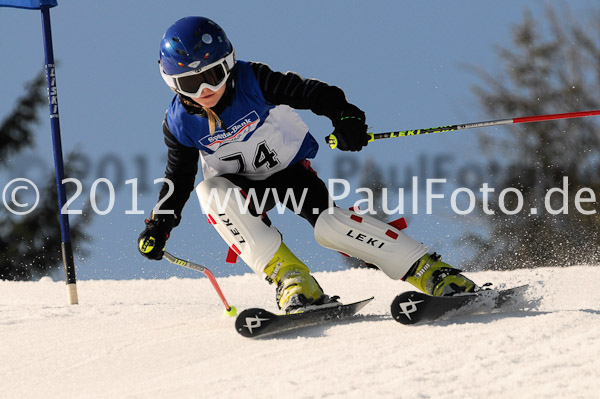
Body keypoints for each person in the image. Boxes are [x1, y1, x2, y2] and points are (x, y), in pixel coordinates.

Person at [138, 16, 479, 313]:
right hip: (241, 189)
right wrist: (160, 225)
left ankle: (431, 272)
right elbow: (178, 179)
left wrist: (345, 116)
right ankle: (293, 280)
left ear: (229, 63)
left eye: (214, 75)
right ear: (172, 84)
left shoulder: (252, 81)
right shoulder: (180, 123)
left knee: (330, 226)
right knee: (208, 190)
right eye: (190, 83)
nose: (205, 89)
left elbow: (316, 93)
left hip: (290, 175)